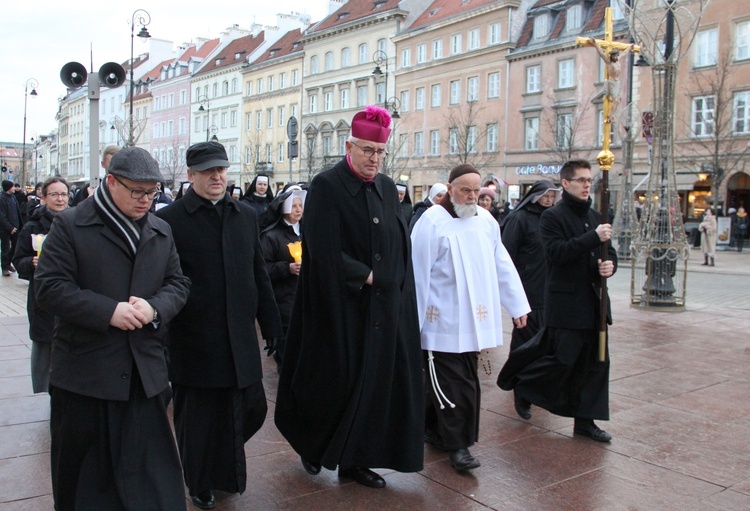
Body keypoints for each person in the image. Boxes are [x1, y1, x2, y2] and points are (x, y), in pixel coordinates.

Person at [275, 105, 424, 489]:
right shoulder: (326, 185)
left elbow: (397, 241)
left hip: (380, 308)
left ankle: (356, 460)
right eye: (367, 151)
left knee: (374, 386)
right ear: (349, 146)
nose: (374, 160)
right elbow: (322, 247)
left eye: (379, 153)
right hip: (337, 306)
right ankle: (311, 446)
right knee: (330, 383)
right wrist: (365, 274)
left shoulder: (389, 188)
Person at [33, 147, 190, 510]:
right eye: (137, 191)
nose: (146, 200)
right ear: (112, 181)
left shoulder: (160, 229)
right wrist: (108, 312)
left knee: (155, 486)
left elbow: (178, 284)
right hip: (87, 378)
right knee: (88, 487)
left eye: (152, 192)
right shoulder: (71, 224)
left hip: (143, 376)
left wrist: (154, 308)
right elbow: (49, 288)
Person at [156, 140, 283, 510]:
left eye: (222, 170)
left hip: (239, 335)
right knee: (197, 419)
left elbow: (258, 271)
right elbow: (161, 282)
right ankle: (199, 482)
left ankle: (220, 467)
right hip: (195, 337)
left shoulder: (244, 214)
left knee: (252, 408)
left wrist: (271, 323)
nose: (217, 176)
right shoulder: (170, 221)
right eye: (209, 171)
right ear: (191, 175)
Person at [411, 164, 530, 472]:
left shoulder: (487, 221)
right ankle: (458, 446)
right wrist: (413, 322)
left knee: (459, 380)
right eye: (466, 190)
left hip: (474, 321)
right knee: (454, 385)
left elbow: (501, 263)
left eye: (477, 191)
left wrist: (517, 305)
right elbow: (418, 275)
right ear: (449, 189)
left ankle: (433, 429)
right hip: (442, 321)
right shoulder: (431, 222)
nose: (472, 196)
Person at [498, 159, 617, 442]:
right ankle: (524, 385)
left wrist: (609, 266)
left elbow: (609, 252)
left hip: (595, 303)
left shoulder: (597, 216)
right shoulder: (553, 217)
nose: (587, 185)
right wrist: (593, 237)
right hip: (566, 304)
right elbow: (557, 253)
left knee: (596, 363)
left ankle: (586, 421)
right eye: (581, 180)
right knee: (563, 360)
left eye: (590, 180)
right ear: (566, 184)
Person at [499, 180, 558, 419]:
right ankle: (519, 389)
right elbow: (505, 255)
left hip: (550, 292)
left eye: (553, 195)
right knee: (525, 342)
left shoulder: (552, 219)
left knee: (546, 344)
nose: (549, 199)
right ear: (535, 195)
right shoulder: (519, 219)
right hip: (525, 292)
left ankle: (534, 387)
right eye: (546, 194)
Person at [13, 177, 70, 393]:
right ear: (43, 197)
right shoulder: (32, 226)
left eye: (64, 194)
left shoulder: (79, 223)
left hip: (72, 294)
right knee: (44, 348)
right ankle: (41, 394)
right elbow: (18, 261)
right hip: (43, 298)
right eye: (54, 194)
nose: (60, 199)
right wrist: (32, 262)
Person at [260, 184, 306, 367]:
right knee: (287, 353)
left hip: (304, 300)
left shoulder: (306, 231)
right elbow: (263, 269)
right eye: (294, 206)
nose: (298, 210)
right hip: (283, 302)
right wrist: (287, 268)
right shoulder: (271, 236)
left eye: (300, 205)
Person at [590, 38, 634, 122]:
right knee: (616, 99)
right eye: (614, 56)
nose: (615, 57)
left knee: (618, 100)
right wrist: (595, 44)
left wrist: (629, 48)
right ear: (611, 56)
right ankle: (611, 115)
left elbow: (624, 53)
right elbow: (602, 54)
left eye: (616, 55)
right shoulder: (609, 62)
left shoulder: (618, 61)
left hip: (617, 82)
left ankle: (612, 114)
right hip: (612, 82)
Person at [0, 180, 23, 276]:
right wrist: (10, 227)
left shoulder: (13, 197)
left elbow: (17, 212)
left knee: (15, 247)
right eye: (13, 186)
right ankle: (4, 267)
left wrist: (20, 225)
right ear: (8, 188)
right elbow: (2, 216)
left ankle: (9, 262)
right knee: (5, 248)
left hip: (16, 227)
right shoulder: (2, 199)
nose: (14, 188)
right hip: (6, 229)